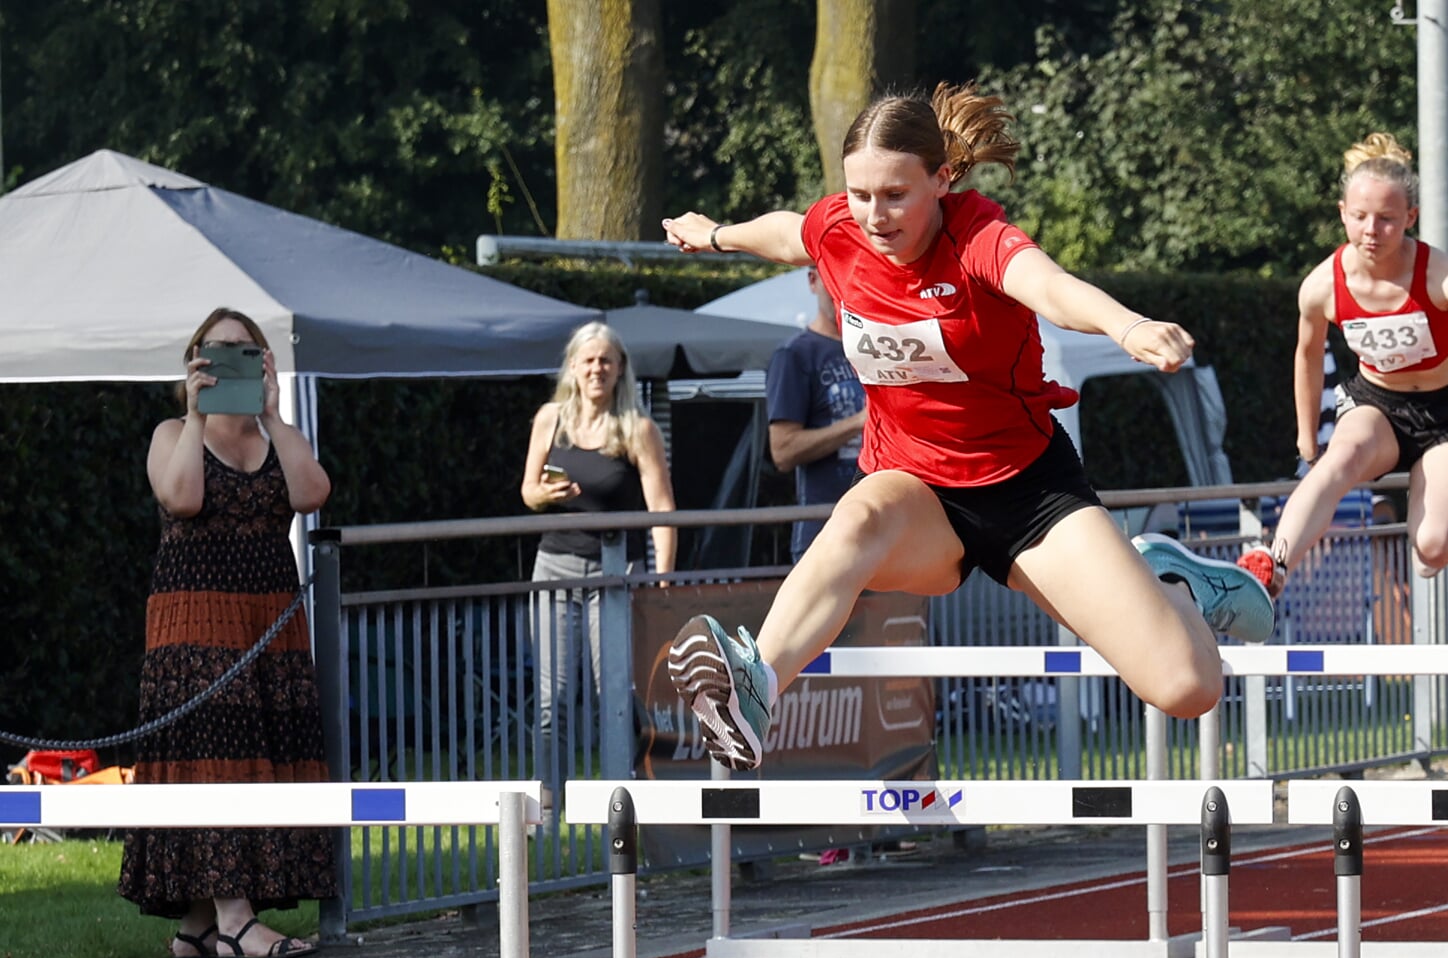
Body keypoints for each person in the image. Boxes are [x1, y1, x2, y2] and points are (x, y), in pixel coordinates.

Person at [659, 82, 1272, 770]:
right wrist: (712, 234)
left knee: (1186, 686)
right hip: (915, 491)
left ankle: (1172, 583)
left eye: (894, 195)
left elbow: (1050, 287)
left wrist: (1125, 324)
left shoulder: (978, 237)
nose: (873, 215)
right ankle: (756, 683)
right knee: (857, 517)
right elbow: (783, 232)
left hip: (1027, 496)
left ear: (940, 180)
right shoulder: (838, 230)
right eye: (859, 194)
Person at [1239, 133, 1448, 599]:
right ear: (1342, 212)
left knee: (1433, 545)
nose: (1371, 231)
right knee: (1335, 461)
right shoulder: (1321, 286)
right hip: (1377, 406)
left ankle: (1436, 546)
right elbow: (1306, 355)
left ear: (1410, 218)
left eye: (1386, 220)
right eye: (1360, 217)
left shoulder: (1439, 273)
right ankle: (1272, 567)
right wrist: (1306, 434)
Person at [117, 307, 334, 958]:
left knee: (253, 754)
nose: (230, 359)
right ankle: (234, 919)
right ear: (195, 360)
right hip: (196, 623)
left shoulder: (277, 433)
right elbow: (180, 498)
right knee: (211, 757)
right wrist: (193, 413)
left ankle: (196, 925)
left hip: (266, 620)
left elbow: (312, 492)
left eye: (244, 350)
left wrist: (271, 414)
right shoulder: (170, 433)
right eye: (216, 350)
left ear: (265, 360)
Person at [520, 321, 678, 756]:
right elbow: (528, 491)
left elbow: (662, 510)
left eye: (606, 360)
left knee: (614, 693)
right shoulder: (550, 420)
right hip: (554, 567)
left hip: (616, 573)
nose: (597, 369)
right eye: (588, 360)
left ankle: (621, 797)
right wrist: (546, 493)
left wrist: (663, 579)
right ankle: (548, 806)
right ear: (572, 367)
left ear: (620, 367)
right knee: (553, 696)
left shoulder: (638, 429)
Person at [766, 268, 868, 559]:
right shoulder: (794, 355)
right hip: (826, 534)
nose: (843, 288)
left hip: (889, 530)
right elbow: (783, 451)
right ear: (813, 281)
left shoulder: (878, 349)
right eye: (833, 278)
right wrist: (859, 422)